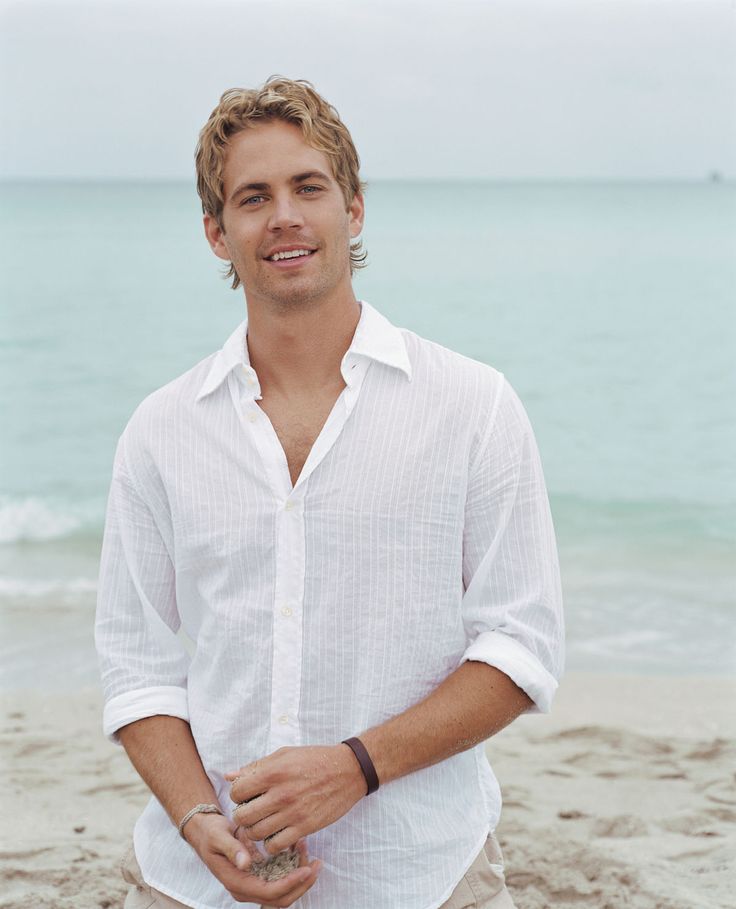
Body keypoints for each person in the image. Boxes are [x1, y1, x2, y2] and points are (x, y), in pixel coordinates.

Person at [95, 75, 564, 909]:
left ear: (354, 209)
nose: (284, 216)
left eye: (308, 187)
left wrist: (357, 766)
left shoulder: (472, 405)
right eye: (253, 197)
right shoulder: (161, 430)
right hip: (201, 880)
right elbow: (137, 666)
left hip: (419, 873)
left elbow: (520, 646)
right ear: (216, 233)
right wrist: (196, 816)